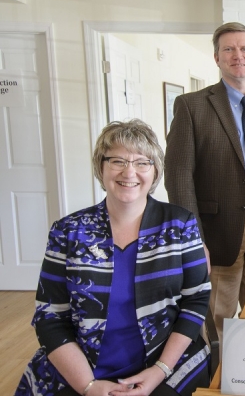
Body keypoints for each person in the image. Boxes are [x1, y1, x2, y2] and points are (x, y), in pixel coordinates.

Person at [15, 119, 211, 396]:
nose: (129, 171)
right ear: (101, 167)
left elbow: (197, 299)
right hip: (83, 364)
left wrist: (159, 372)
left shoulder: (180, 225)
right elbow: (49, 316)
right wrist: (88, 385)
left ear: (155, 172)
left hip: (164, 360)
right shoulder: (68, 231)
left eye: (143, 162)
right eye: (117, 160)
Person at [164, 22, 245, 347]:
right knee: (217, 315)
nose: (238, 55)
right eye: (229, 49)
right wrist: (194, 238)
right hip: (217, 227)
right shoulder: (192, 106)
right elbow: (178, 176)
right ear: (216, 57)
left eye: (244, 48)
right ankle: (220, 382)